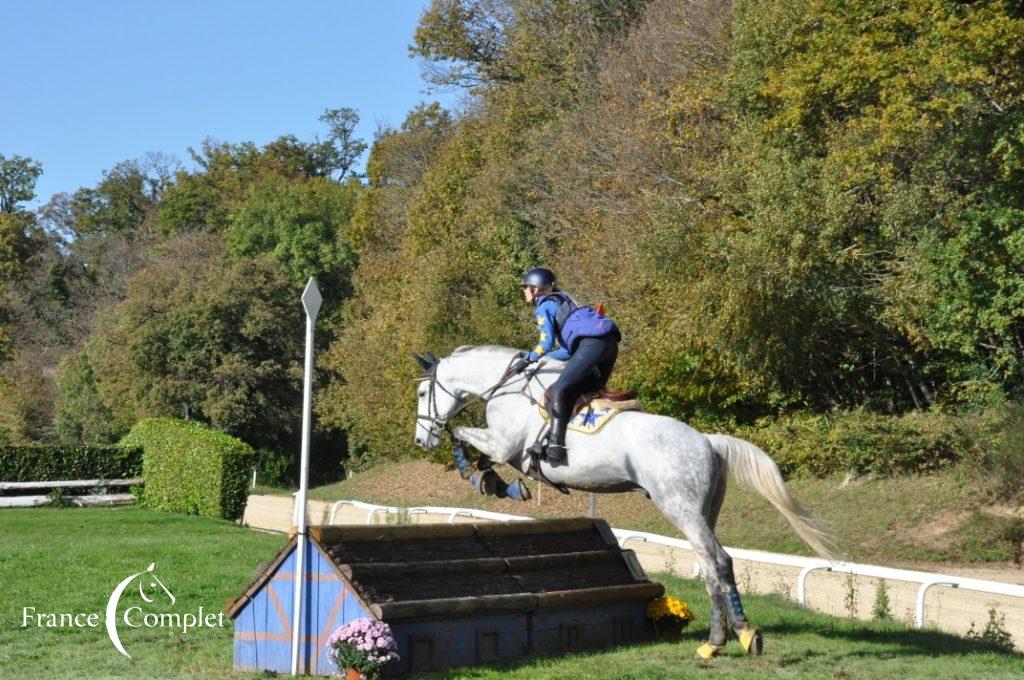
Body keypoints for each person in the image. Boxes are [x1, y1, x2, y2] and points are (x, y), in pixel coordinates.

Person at [510, 267, 621, 463]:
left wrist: (528, 359)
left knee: (558, 391)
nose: (524, 291)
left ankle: (556, 446)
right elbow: (568, 351)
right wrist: (544, 360)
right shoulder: (563, 299)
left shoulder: (543, 306)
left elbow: (545, 343)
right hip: (609, 343)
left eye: (526, 287)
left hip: (592, 344)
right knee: (588, 390)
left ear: (536, 289)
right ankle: (586, 440)